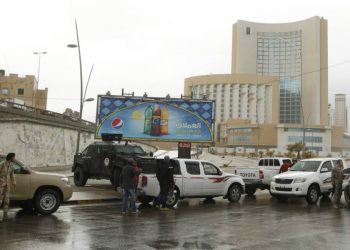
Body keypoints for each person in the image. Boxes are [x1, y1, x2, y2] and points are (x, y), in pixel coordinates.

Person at [0, 153, 16, 222]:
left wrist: (14, 182)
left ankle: (5, 216)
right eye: (14, 157)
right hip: (1, 185)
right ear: (11, 157)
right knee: (0, 200)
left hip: (7, 185)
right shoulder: (2, 164)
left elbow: (12, 174)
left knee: (6, 200)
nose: (14, 159)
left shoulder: (11, 165)